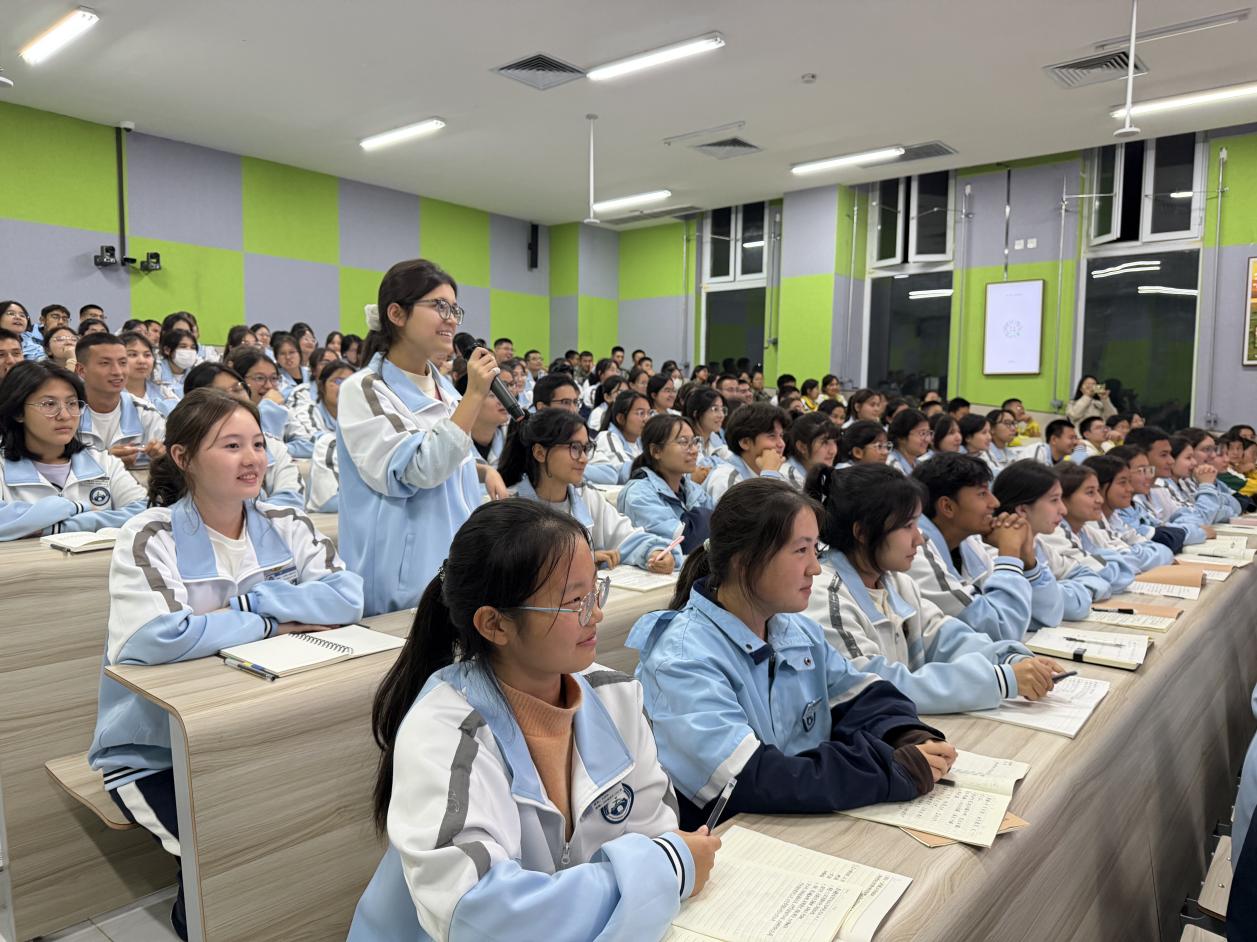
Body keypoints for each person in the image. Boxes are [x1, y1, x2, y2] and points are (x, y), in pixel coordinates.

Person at [348, 499, 715, 941]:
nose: (596, 613)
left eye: (596, 591)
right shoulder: (443, 732)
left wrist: (652, 874)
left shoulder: (616, 698)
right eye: (575, 601)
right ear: (495, 625)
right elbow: (481, 916)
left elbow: (652, 833)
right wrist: (661, 873)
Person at [88, 388, 363, 940]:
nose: (253, 458)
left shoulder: (285, 519)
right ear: (183, 457)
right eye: (231, 445)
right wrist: (269, 622)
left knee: (303, 832)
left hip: (259, 728)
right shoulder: (151, 533)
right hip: (155, 749)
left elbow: (347, 598)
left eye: (258, 444)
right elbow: (157, 636)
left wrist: (246, 604)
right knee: (222, 856)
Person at [628, 477, 954, 829]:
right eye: (800, 551)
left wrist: (905, 735)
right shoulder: (681, 658)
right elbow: (749, 779)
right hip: (730, 838)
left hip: (796, 822)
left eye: (816, 549)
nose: (815, 567)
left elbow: (861, 697)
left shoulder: (793, 630)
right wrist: (888, 769)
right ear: (745, 561)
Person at [804, 464, 1055, 713]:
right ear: (863, 532)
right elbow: (875, 687)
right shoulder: (825, 596)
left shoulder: (896, 583)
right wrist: (999, 679)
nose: (920, 538)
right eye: (907, 526)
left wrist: (1008, 658)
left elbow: (947, 639)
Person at [339, 259, 500, 615]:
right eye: (439, 306)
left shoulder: (447, 393)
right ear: (397, 313)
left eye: (455, 309)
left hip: (455, 576)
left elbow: (452, 465)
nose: (451, 319)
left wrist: (484, 470)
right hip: (400, 589)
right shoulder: (365, 390)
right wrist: (475, 394)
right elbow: (419, 469)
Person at [499, 410, 677, 573]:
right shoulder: (509, 506)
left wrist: (654, 552)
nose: (584, 459)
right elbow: (516, 568)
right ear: (540, 453)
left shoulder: (586, 497)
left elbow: (627, 537)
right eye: (574, 448)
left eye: (585, 448)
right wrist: (583, 561)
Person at [0, 361, 147, 540]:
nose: (65, 415)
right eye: (49, 404)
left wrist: (62, 526)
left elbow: (144, 511)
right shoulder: (2, 467)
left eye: (72, 403)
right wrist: (75, 507)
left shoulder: (103, 462)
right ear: (18, 412)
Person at [907, 453, 1044, 642]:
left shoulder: (968, 542)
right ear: (947, 507)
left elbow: (1042, 615)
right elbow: (1001, 630)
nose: (995, 503)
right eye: (982, 494)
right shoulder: (916, 550)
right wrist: (1010, 554)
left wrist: (1027, 560)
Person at [993, 460, 1112, 624]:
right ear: (1022, 510)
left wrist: (1053, 592)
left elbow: (1096, 579)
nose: (1063, 510)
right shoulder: (995, 554)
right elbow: (1035, 613)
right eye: (1054, 500)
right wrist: (1055, 593)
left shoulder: (1039, 545)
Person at [183, 362, 307, 510]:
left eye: (237, 389)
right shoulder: (193, 448)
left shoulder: (272, 444)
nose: (233, 398)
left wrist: (248, 518)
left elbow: (292, 498)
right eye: (219, 394)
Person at [617, 414, 715, 555]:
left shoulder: (691, 488)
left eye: (694, 441)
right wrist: (706, 519)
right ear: (656, 451)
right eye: (683, 442)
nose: (694, 450)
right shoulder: (638, 494)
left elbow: (728, 522)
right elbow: (686, 541)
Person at [75, 333, 167, 469]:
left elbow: (169, 465)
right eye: (105, 363)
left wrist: (160, 456)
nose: (117, 372)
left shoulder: (146, 414)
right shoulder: (66, 415)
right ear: (82, 370)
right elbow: (55, 466)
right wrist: (108, 461)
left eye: (123, 363)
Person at [1051, 464, 1138, 594]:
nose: (1100, 500)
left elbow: (1132, 563)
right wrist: (1105, 556)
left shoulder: (1086, 531)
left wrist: (1098, 556)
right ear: (1063, 498)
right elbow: (1114, 576)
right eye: (1090, 492)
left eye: (1097, 491)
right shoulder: (1053, 534)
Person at [1080, 455, 1175, 570]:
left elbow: (1150, 546)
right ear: (1101, 487)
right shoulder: (1089, 524)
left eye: (1129, 481)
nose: (1130, 488)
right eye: (1123, 482)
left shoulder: (1113, 516)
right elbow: (1122, 563)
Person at [1108, 443, 1194, 552]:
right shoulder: (1115, 511)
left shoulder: (1135, 505)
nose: (1149, 476)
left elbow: (1163, 530)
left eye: (1148, 469)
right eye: (1142, 471)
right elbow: (1163, 540)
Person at [703, 402, 787, 503]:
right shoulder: (725, 479)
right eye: (772, 436)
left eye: (781, 435)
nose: (781, 444)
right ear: (745, 442)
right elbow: (761, 512)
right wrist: (770, 475)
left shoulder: (774, 472)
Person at [286, 358, 354, 462]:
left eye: (350, 382)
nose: (344, 387)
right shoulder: (308, 412)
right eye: (338, 381)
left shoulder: (358, 414)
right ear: (321, 386)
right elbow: (315, 443)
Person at [585, 390, 649, 486]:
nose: (646, 419)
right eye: (640, 413)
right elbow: (623, 475)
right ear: (621, 418)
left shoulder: (640, 441)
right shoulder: (608, 437)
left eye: (649, 413)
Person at [120, 330, 180, 417]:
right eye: (133, 355)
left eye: (147, 355)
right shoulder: (110, 395)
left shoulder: (164, 392)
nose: (142, 361)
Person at [782, 411, 839, 490]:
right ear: (802, 447)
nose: (833, 451)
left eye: (835, 442)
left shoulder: (819, 473)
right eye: (824, 442)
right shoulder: (786, 480)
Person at [683, 385, 728, 478]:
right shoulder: (685, 443)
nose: (721, 415)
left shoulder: (715, 439)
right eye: (715, 409)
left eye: (722, 409)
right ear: (696, 413)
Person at [156, 328, 199, 398]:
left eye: (193, 347)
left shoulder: (196, 374)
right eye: (183, 346)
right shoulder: (155, 372)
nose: (189, 351)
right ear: (167, 350)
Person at [886, 408, 931, 473]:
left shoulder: (919, 465)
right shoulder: (892, 468)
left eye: (928, 433)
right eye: (922, 433)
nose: (928, 439)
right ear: (901, 437)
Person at [271, 331, 309, 400]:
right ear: (276, 358)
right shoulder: (275, 379)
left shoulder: (311, 374)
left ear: (299, 354)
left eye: (292, 352)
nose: (288, 357)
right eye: (282, 353)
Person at [983, 409, 1018, 475]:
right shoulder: (984, 454)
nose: (1013, 428)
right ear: (992, 428)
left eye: (1013, 423)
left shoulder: (1012, 453)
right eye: (1007, 423)